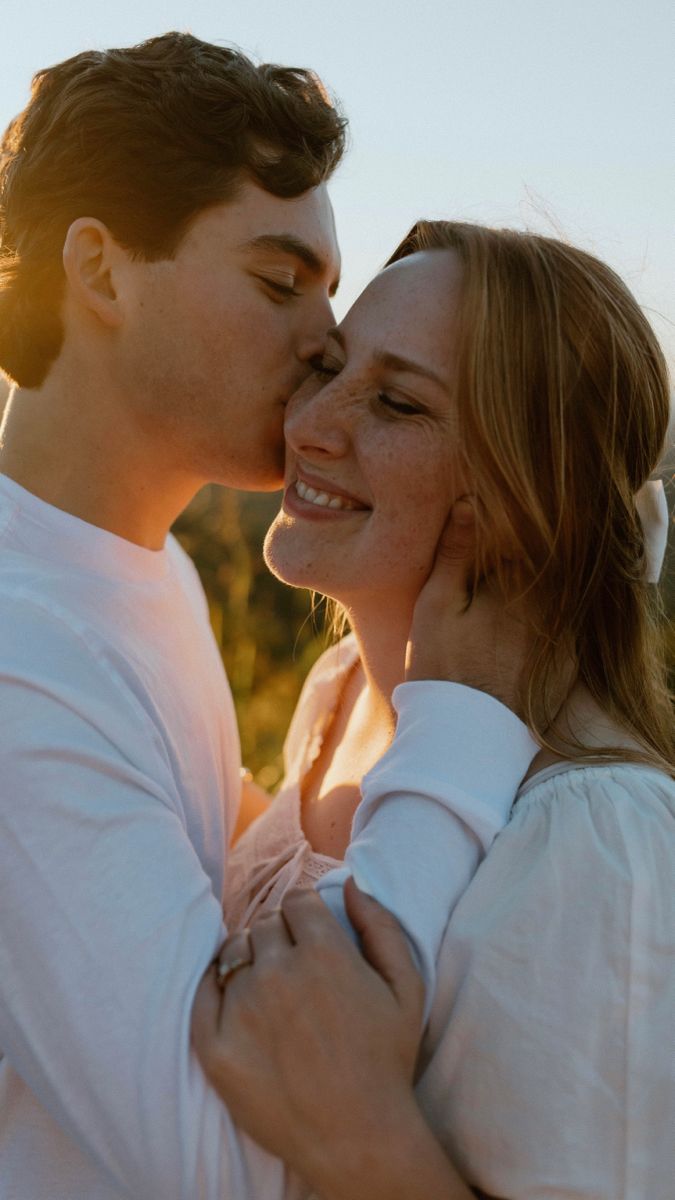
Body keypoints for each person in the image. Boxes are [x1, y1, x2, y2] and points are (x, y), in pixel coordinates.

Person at [0, 33, 539, 1200]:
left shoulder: (139, 575)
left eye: (326, 294)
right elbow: (225, 1168)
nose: (322, 343)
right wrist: (465, 727)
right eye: (276, 282)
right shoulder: (22, 652)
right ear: (99, 271)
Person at [193, 222, 675, 1199]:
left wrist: (362, 1137)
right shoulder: (340, 702)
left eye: (398, 402)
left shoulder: (597, 842)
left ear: (527, 489)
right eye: (326, 368)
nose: (310, 424)